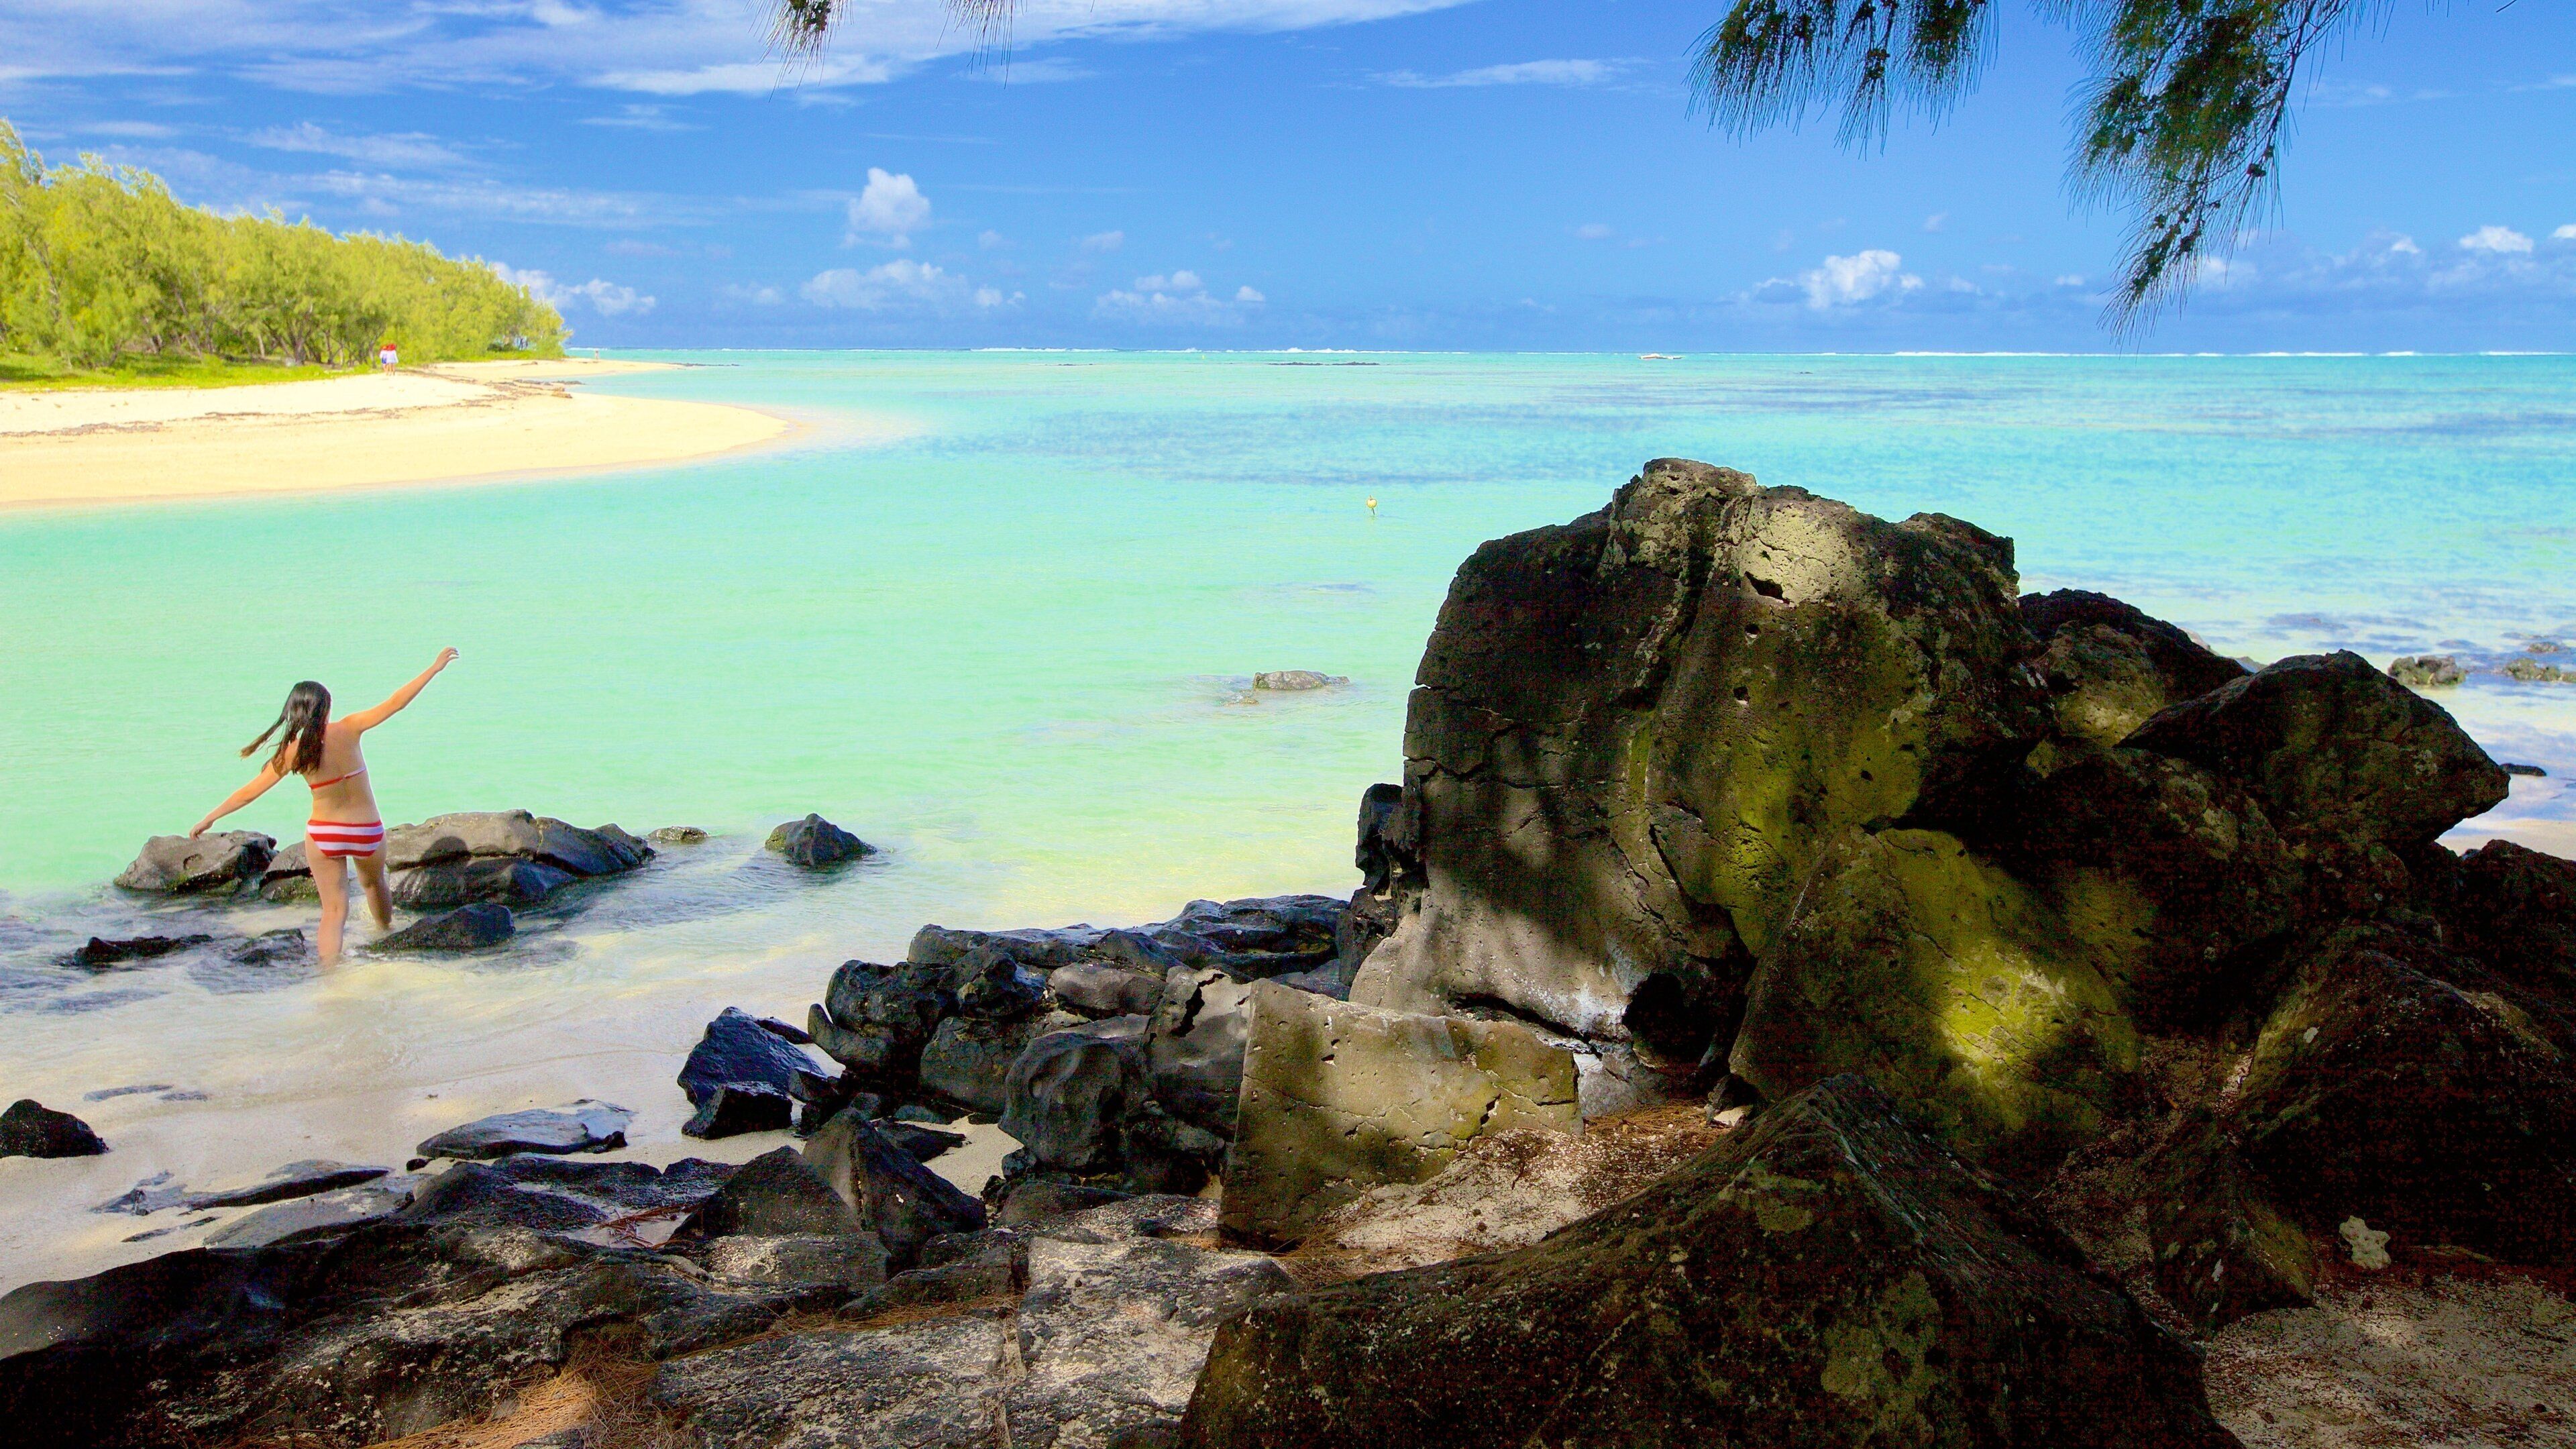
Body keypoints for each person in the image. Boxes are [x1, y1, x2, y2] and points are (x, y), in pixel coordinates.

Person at [190, 649, 460, 963]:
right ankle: (385, 939)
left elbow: (248, 794)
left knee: (333, 912)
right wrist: (434, 668)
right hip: (366, 831)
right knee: (374, 884)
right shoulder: (350, 728)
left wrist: (210, 818)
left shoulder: (293, 752)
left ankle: (329, 977)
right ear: (326, 708)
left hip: (324, 833)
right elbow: (396, 703)